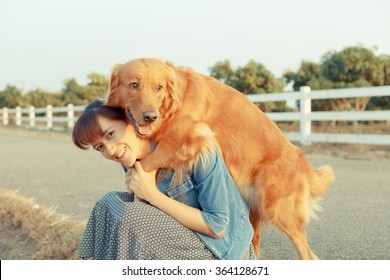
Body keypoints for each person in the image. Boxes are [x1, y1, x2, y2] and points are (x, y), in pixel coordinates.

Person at [72, 99, 255, 260]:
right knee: (107, 204)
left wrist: (151, 194)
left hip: (222, 251)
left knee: (130, 217)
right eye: (100, 147)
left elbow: (217, 226)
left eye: (110, 134)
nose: (110, 151)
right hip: (179, 238)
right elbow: (144, 214)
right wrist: (139, 191)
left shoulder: (194, 146)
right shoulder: (130, 156)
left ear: (132, 120)